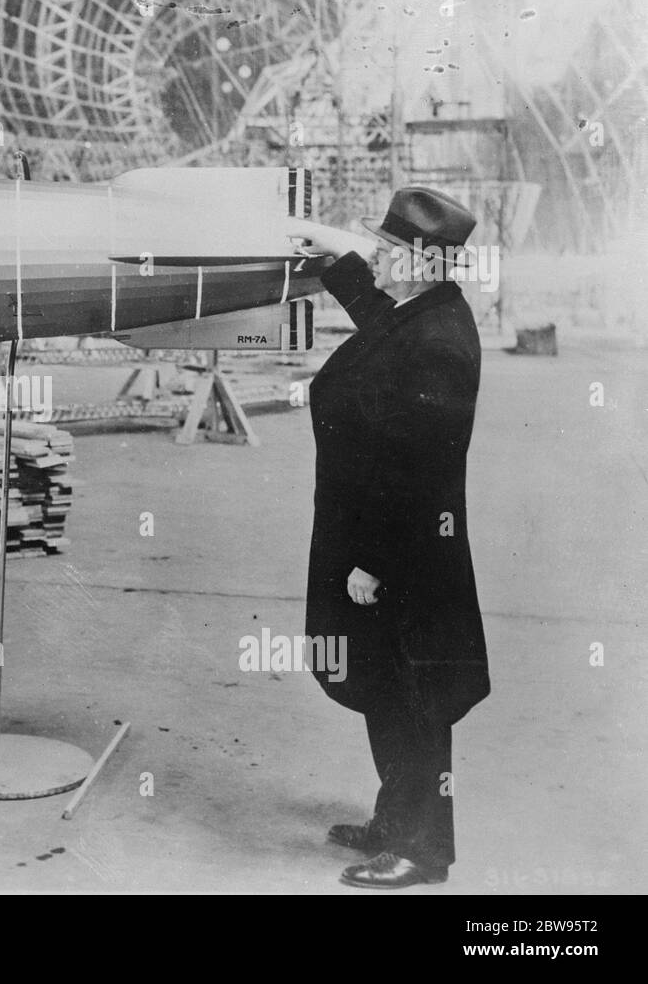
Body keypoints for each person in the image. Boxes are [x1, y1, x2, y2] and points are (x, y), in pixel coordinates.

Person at [285, 187, 491, 889]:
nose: (380, 257)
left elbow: (422, 472)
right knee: (386, 689)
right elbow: (377, 320)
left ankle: (422, 851)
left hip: (403, 557)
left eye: (389, 250)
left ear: (425, 260)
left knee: (416, 702)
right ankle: (392, 822)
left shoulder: (439, 343)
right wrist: (336, 264)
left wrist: (373, 562)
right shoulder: (421, 316)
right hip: (383, 545)